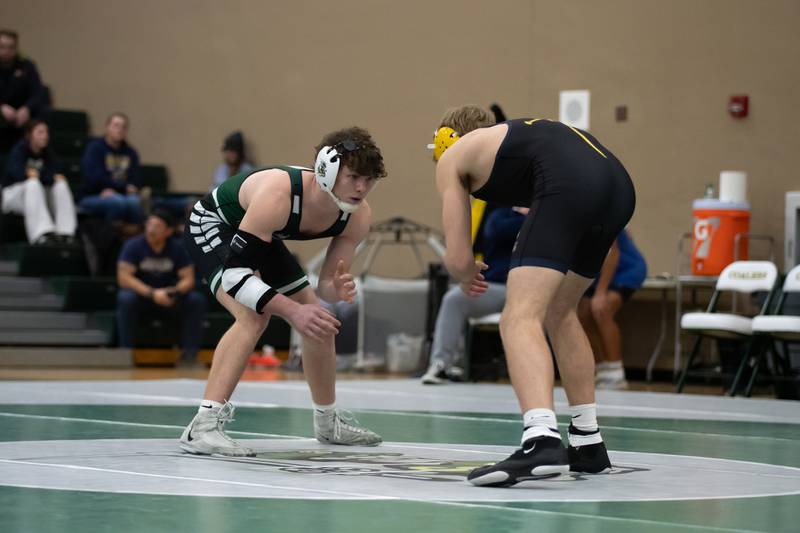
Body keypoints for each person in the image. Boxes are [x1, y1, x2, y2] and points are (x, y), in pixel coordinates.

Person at [431, 105, 635, 487]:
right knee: (561, 312)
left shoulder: (454, 156)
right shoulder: (513, 139)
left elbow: (456, 258)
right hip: (619, 186)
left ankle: (540, 439)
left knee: (518, 316)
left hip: (570, 182)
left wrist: (464, 274)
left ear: (445, 140)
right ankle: (588, 441)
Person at [180, 126, 386, 456]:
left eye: (370, 179)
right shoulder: (279, 195)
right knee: (252, 317)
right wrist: (292, 310)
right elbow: (235, 277)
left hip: (263, 234)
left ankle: (327, 422)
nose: (362, 188)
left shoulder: (357, 215)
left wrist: (337, 288)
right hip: (214, 224)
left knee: (320, 320)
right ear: (327, 169)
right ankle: (202, 426)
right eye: (354, 177)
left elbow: (326, 288)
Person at [421, 206, 525, 384]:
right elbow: (498, 231)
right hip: (497, 287)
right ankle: (442, 364)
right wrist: (528, 219)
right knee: (454, 299)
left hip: (532, 290)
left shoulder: (547, 214)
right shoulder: (500, 215)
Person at [116, 208, 207, 362]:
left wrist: (174, 291)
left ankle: (190, 355)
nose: (151, 230)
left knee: (196, 300)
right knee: (125, 298)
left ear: (168, 231)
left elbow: (188, 279)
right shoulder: (133, 246)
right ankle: (126, 352)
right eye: (149, 225)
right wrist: (152, 293)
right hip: (143, 296)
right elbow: (124, 278)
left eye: (157, 226)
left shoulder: (178, 248)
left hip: (168, 296)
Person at [578, 229, 647, 390]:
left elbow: (612, 253)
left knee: (602, 310)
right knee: (581, 315)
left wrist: (601, 292)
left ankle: (616, 373)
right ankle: (602, 369)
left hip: (625, 269)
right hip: (599, 272)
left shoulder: (597, 211)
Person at [1, 119, 77, 244]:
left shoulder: (48, 153)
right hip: (13, 196)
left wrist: (40, 175)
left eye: (46, 132)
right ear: (29, 135)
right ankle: (41, 233)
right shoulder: (19, 150)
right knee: (32, 183)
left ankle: (66, 233)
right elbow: (17, 173)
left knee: (61, 185)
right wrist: (38, 176)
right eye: (40, 132)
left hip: (36, 195)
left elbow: (55, 174)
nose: (45, 136)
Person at [78, 112, 143, 224]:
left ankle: (133, 235)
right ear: (107, 127)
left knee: (135, 202)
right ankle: (110, 235)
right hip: (94, 194)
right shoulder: (95, 149)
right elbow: (95, 178)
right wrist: (122, 188)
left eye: (123, 127)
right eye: (116, 125)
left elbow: (136, 178)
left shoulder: (131, 153)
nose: (120, 130)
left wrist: (129, 188)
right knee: (117, 202)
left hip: (123, 195)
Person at [0, 29, 47, 152]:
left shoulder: (27, 66)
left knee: (41, 114)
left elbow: (38, 92)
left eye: (11, 47)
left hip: (21, 117)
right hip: (2, 114)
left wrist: (27, 108)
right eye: (2, 47)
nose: (6, 51)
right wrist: (1, 107)